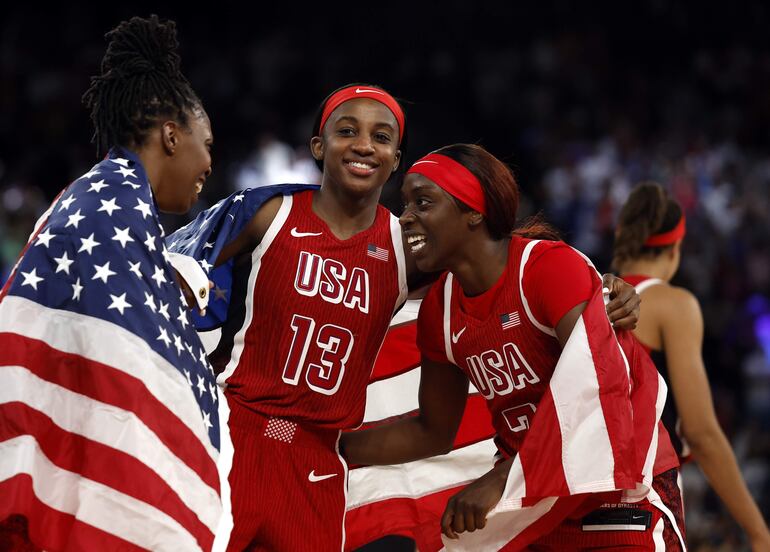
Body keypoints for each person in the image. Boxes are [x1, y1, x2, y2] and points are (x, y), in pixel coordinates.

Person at [167, 85, 642, 551]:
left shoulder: (405, 247)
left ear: (394, 160)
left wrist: (605, 288)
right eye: (347, 130)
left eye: (381, 137)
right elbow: (178, 269)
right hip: (237, 432)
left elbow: (496, 263)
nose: (363, 144)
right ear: (318, 145)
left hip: (317, 458)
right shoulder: (270, 210)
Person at [341, 144, 686, 551]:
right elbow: (432, 431)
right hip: (535, 502)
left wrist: (500, 479)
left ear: (474, 211)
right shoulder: (440, 308)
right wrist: (335, 446)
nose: (406, 217)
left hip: (616, 489)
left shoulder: (546, 269)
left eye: (423, 202)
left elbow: (598, 391)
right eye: (405, 203)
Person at [0, 15, 220, 551]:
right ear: (171, 134)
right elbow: (116, 365)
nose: (210, 164)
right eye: (206, 143)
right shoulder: (112, 202)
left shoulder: (117, 199)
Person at [613, 182, 770, 552]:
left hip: (573, 502)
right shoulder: (672, 304)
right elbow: (701, 432)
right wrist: (758, 530)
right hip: (639, 502)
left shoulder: (584, 295)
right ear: (675, 249)